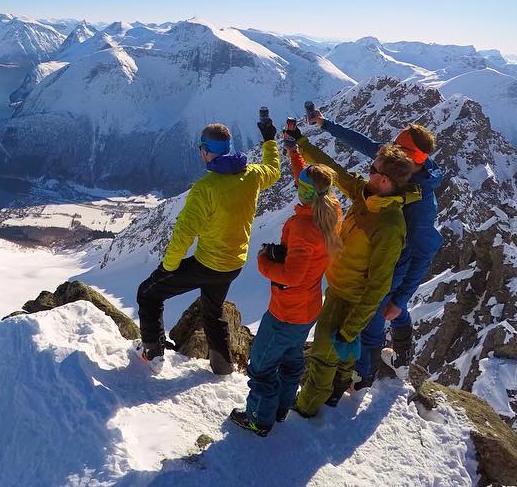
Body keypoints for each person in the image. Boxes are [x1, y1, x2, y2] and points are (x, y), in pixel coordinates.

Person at [137, 117, 281, 375]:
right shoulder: (252, 175)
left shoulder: (205, 188)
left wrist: (169, 267)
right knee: (212, 311)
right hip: (234, 264)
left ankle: (153, 353)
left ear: (205, 151)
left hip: (209, 263)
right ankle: (222, 367)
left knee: (148, 293)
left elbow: (184, 232)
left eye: (200, 149)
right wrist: (270, 141)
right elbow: (273, 169)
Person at [308, 112, 443, 386]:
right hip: (379, 259)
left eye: (396, 142)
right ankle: (402, 350)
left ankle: (363, 377)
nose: (388, 144)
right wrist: (326, 124)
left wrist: (401, 297)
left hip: (391, 269)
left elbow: (424, 252)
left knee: (374, 323)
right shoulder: (398, 165)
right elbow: (363, 143)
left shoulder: (421, 204)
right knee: (387, 312)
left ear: (410, 155)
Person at [291, 134, 415, 417]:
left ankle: (305, 409)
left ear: (385, 180)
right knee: (339, 354)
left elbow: (380, 284)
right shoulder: (366, 194)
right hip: (337, 285)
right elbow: (336, 171)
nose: (367, 171)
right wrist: (302, 144)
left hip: (349, 298)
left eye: (373, 169)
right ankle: (335, 392)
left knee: (324, 353)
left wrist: (351, 327)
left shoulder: (389, 225)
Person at [229, 131, 342, 436]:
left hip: (285, 311)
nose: (295, 187)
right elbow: (309, 181)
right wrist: (294, 155)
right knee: (291, 362)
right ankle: (280, 409)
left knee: (262, 366)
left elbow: (291, 276)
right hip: (307, 311)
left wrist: (265, 262)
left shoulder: (304, 228)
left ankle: (259, 419)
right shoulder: (330, 210)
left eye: (298, 187)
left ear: (304, 193)